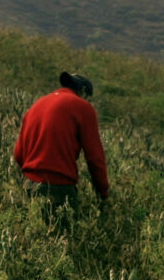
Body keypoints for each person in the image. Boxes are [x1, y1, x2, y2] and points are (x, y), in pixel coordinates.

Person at [13, 72, 109, 210]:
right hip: (59, 187)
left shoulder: (38, 104)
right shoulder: (83, 107)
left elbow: (18, 154)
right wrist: (103, 192)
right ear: (83, 91)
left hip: (30, 185)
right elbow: (95, 157)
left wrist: (34, 176)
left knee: (35, 230)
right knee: (65, 231)